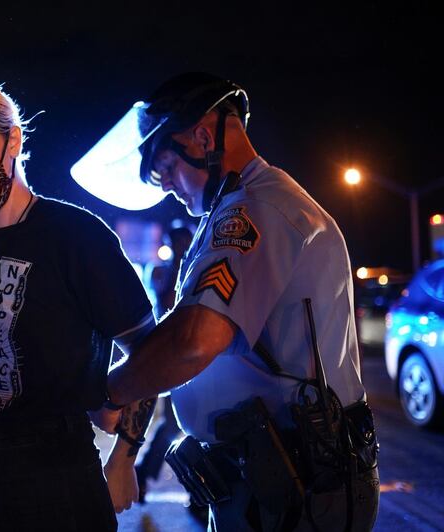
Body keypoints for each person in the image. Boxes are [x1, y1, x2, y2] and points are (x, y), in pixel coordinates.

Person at [73, 72, 380, 530]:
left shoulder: (260, 209)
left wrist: (109, 390)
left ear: (201, 137)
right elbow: (172, 340)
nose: (169, 189)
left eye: (167, 170)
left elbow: (194, 341)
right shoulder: (230, 212)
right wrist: (125, 454)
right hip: (262, 480)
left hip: (297, 488)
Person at [0, 74, 159, 531]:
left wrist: (123, 459)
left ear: (13, 140)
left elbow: (150, 351)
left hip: (54, 472)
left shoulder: (77, 235)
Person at [135, 226, 192, 502]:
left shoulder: (194, 267)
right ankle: (142, 472)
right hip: (171, 355)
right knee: (173, 423)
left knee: (178, 424)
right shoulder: (161, 271)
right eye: (178, 242)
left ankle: (144, 473)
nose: (183, 246)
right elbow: (167, 301)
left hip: (189, 355)